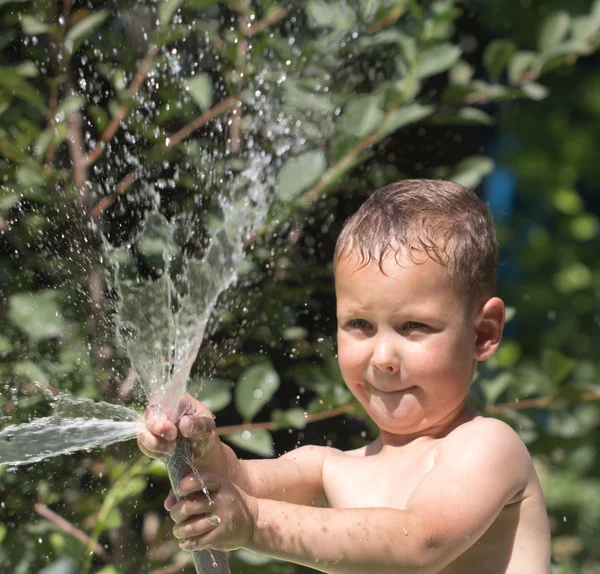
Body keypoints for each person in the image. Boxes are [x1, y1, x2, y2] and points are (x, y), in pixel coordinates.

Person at [138, 179, 551, 573]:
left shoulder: (488, 446)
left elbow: (420, 542)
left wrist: (254, 523)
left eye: (414, 326)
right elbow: (236, 482)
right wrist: (198, 442)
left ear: (483, 333)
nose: (383, 357)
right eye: (360, 325)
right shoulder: (332, 469)